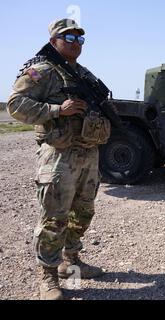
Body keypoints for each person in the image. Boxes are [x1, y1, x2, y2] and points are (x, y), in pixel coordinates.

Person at [7, 19, 111, 300]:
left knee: (83, 212)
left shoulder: (84, 74)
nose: (75, 43)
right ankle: (48, 277)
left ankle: (71, 261)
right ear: (54, 41)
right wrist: (56, 109)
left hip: (88, 153)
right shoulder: (42, 71)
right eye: (69, 37)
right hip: (59, 156)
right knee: (54, 218)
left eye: (80, 39)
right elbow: (15, 105)